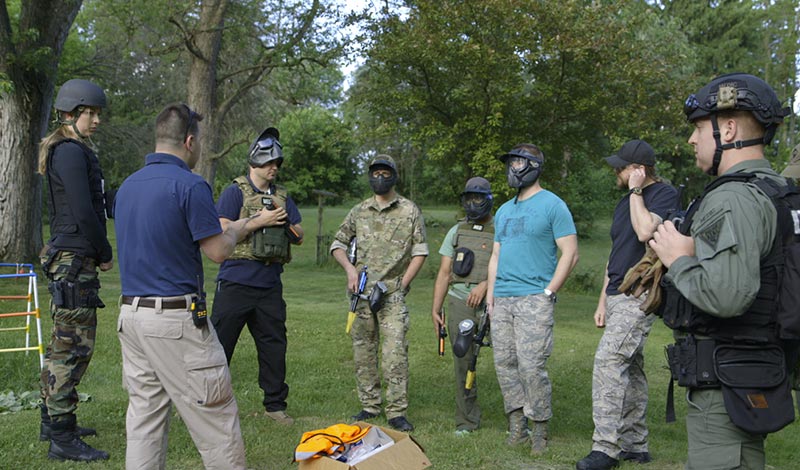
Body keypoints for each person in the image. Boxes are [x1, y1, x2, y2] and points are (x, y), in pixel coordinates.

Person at [114, 104, 275, 469]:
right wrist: (238, 227)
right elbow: (218, 251)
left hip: (131, 318)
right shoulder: (189, 183)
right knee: (215, 418)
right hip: (174, 320)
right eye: (199, 141)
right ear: (190, 141)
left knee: (144, 418)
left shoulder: (128, 186)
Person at [649, 73, 791, 469]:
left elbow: (727, 295)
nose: (692, 140)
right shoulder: (774, 190)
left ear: (727, 129)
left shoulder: (731, 197)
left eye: (698, 129)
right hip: (752, 371)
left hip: (725, 381)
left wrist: (677, 257)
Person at [576, 140, 679, 470]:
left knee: (609, 360)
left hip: (641, 294)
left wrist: (637, 192)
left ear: (639, 170)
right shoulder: (624, 203)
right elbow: (616, 253)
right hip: (618, 294)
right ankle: (636, 445)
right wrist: (602, 300)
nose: (615, 172)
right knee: (631, 369)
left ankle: (605, 449)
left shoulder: (664, 194)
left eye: (621, 167)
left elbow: (645, 232)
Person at [37, 78, 113, 462]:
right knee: (72, 348)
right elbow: (84, 212)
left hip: (69, 256)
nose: (96, 119)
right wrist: (104, 249)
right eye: (90, 112)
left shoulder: (72, 149)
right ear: (70, 113)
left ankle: (51, 421)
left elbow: (95, 201)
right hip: (75, 259)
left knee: (61, 345)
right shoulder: (69, 152)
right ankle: (62, 437)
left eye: (98, 113)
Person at [486, 143, 579, 455]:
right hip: (502, 299)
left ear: (533, 166)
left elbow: (570, 252)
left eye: (517, 162)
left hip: (533, 299)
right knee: (505, 365)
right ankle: (517, 428)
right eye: (510, 162)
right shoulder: (503, 210)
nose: (511, 167)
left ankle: (539, 431)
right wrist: (490, 295)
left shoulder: (553, 205)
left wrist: (549, 292)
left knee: (530, 367)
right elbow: (496, 256)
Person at [211, 127, 304, 426]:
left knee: (274, 348)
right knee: (219, 347)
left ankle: (275, 406)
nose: (274, 168)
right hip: (236, 282)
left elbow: (299, 235)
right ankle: (210, 405)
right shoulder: (234, 191)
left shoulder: (283, 196)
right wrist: (258, 221)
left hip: (269, 285)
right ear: (255, 163)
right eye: (269, 163)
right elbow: (223, 229)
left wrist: (285, 220)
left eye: (277, 163)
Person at [330, 154, 428, 432]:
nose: (380, 178)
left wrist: (403, 283)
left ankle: (396, 411)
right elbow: (338, 243)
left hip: (392, 295)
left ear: (394, 176)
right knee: (363, 351)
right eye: (375, 173)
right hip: (361, 294)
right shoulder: (359, 211)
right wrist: (350, 271)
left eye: (385, 173)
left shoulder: (409, 210)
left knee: (395, 352)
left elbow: (420, 250)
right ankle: (370, 405)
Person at [431, 177, 495, 436]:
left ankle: (521, 419)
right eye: (469, 198)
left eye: (478, 198)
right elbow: (445, 273)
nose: (473, 203)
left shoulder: (501, 228)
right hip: (460, 301)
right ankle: (466, 421)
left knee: (510, 360)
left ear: (488, 200)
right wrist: (436, 309)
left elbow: (511, 265)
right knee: (463, 359)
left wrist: (486, 285)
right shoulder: (456, 231)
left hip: (495, 302)